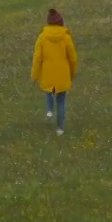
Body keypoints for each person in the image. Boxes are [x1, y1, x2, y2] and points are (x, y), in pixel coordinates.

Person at [32, 8, 78, 136]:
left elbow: (37, 57)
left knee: (49, 90)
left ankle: (49, 110)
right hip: (62, 73)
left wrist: (35, 75)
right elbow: (73, 58)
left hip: (47, 72)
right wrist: (72, 73)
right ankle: (60, 129)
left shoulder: (42, 37)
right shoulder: (66, 37)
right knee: (61, 100)